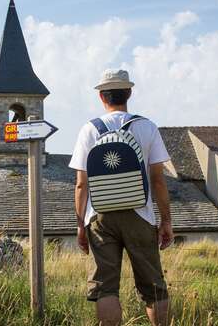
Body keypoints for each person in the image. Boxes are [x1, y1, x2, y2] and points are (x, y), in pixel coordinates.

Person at [69, 69, 174, 326]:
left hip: (100, 218)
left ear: (101, 97)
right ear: (129, 93)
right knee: (153, 286)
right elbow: (158, 180)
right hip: (141, 213)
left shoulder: (89, 130)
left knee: (105, 287)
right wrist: (166, 221)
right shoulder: (147, 127)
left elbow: (82, 184)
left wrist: (80, 225)